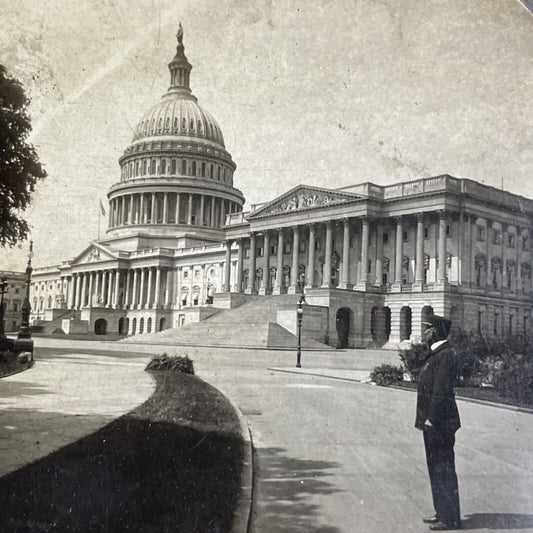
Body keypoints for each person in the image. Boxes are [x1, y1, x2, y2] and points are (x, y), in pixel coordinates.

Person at [415, 314, 461, 530]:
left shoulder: (446, 355)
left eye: (426, 329)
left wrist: (431, 418)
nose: (423, 333)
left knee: (443, 469)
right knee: (435, 468)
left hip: (440, 422)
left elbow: (441, 391)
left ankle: (450, 518)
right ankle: (441, 511)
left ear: (434, 331)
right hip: (433, 422)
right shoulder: (436, 353)